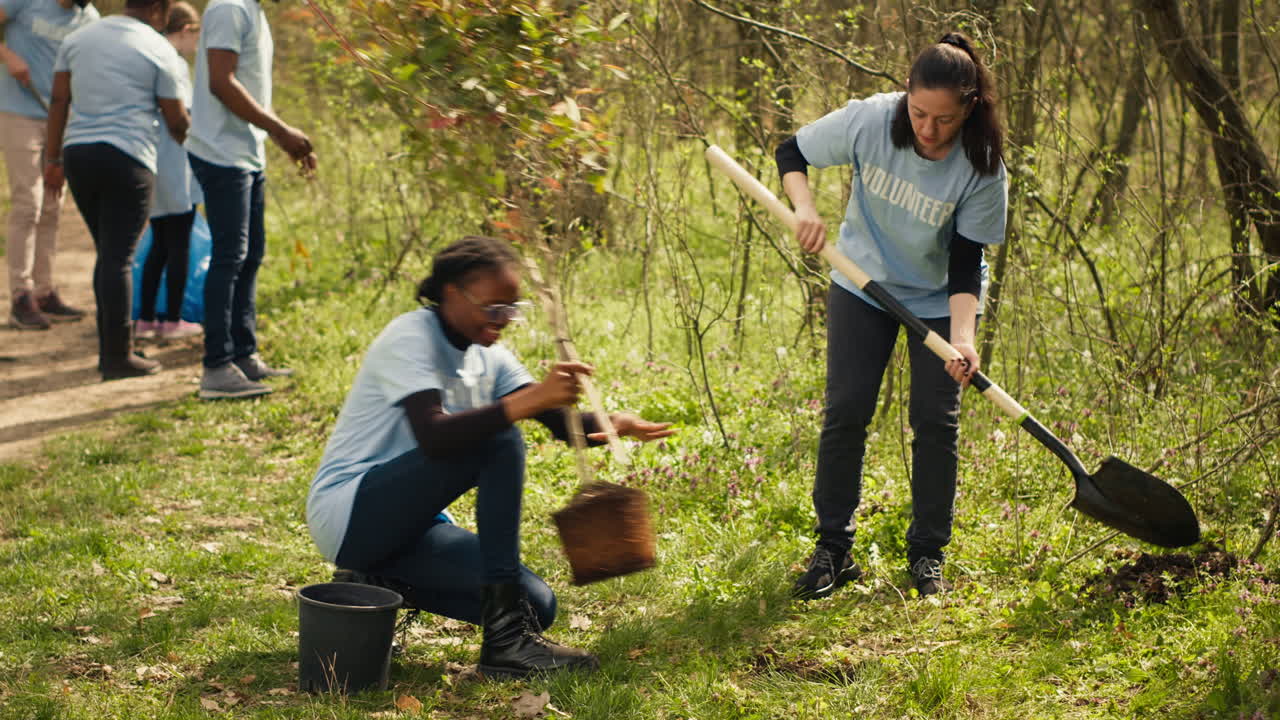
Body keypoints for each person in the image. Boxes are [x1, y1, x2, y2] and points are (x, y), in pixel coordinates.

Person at [307, 236, 674, 679]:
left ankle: (372, 583)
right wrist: (533, 398)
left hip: (412, 528)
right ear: (451, 293)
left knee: (537, 605)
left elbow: (560, 424)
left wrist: (615, 422)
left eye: (511, 310)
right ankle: (505, 646)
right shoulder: (408, 338)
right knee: (500, 440)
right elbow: (436, 436)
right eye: (492, 307)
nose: (502, 320)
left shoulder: (491, 355)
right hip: (350, 513)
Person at [777, 32, 1008, 599]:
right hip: (862, 283)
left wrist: (961, 338)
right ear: (905, 93)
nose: (928, 130)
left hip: (936, 301)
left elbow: (965, 260)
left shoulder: (982, 167)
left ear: (970, 108)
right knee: (847, 411)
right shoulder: (871, 120)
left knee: (935, 422)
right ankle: (833, 547)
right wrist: (804, 209)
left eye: (944, 120)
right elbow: (792, 152)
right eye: (919, 112)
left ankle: (927, 554)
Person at [44, 0, 189, 380]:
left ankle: (112, 347)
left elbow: (60, 100)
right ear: (158, 8)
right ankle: (116, 357)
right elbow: (176, 118)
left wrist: (52, 159)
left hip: (79, 156)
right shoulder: (157, 47)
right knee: (118, 257)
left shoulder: (78, 39)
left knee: (107, 254)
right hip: (128, 157)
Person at [187, 0, 316, 400]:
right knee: (230, 256)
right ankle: (216, 367)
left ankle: (243, 355)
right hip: (220, 152)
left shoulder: (255, 12)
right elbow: (221, 82)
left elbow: (252, 86)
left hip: (245, 152)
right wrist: (281, 131)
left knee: (250, 253)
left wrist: (278, 139)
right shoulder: (229, 8)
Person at [0, 0, 97, 330]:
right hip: (18, 112)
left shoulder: (89, 17)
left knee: (53, 204)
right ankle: (20, 294)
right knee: (29, 202)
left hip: (60, 117)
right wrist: (7, 55)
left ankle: (44, 291)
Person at [135, 0, 202, 342]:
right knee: (179, 243)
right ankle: (172, 318)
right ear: (187, 31)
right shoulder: (173, 62)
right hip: (177, 163)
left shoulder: (150, 57)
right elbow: (184, 119)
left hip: (154, 161)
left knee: (160, 243)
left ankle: (146, 318)